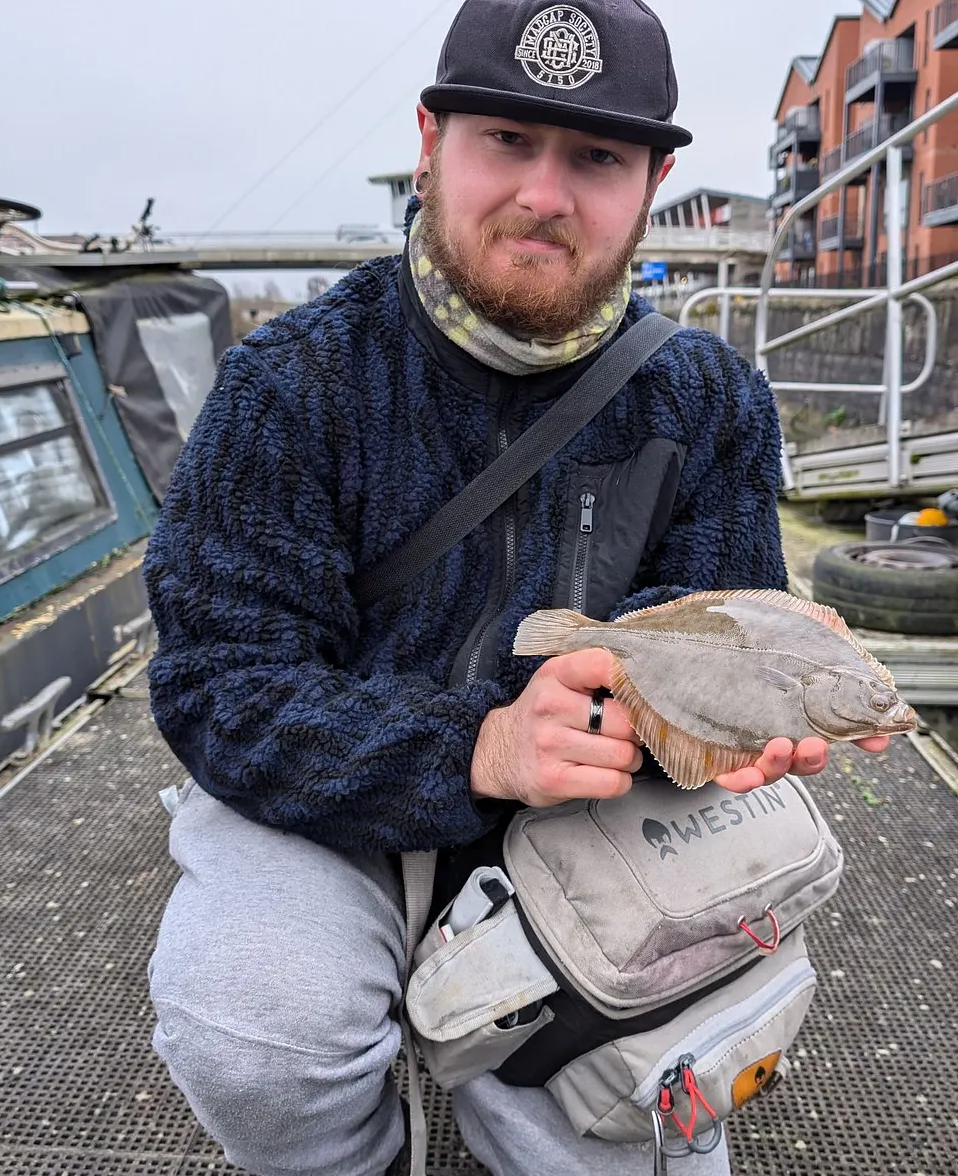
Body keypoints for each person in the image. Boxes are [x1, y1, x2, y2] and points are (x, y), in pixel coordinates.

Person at [141, 2, 889, 1173]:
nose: (547, 193)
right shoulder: (286, 387)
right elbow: (216, 686)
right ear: (433, 143)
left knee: (634, 1133)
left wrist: (726, 736)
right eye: (508, 141)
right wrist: (477, 749)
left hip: (588, 810)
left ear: (652, 181)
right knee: (256, 1037)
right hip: (332, 796)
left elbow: (731, 631)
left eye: (596, 157)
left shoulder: (711, 399)